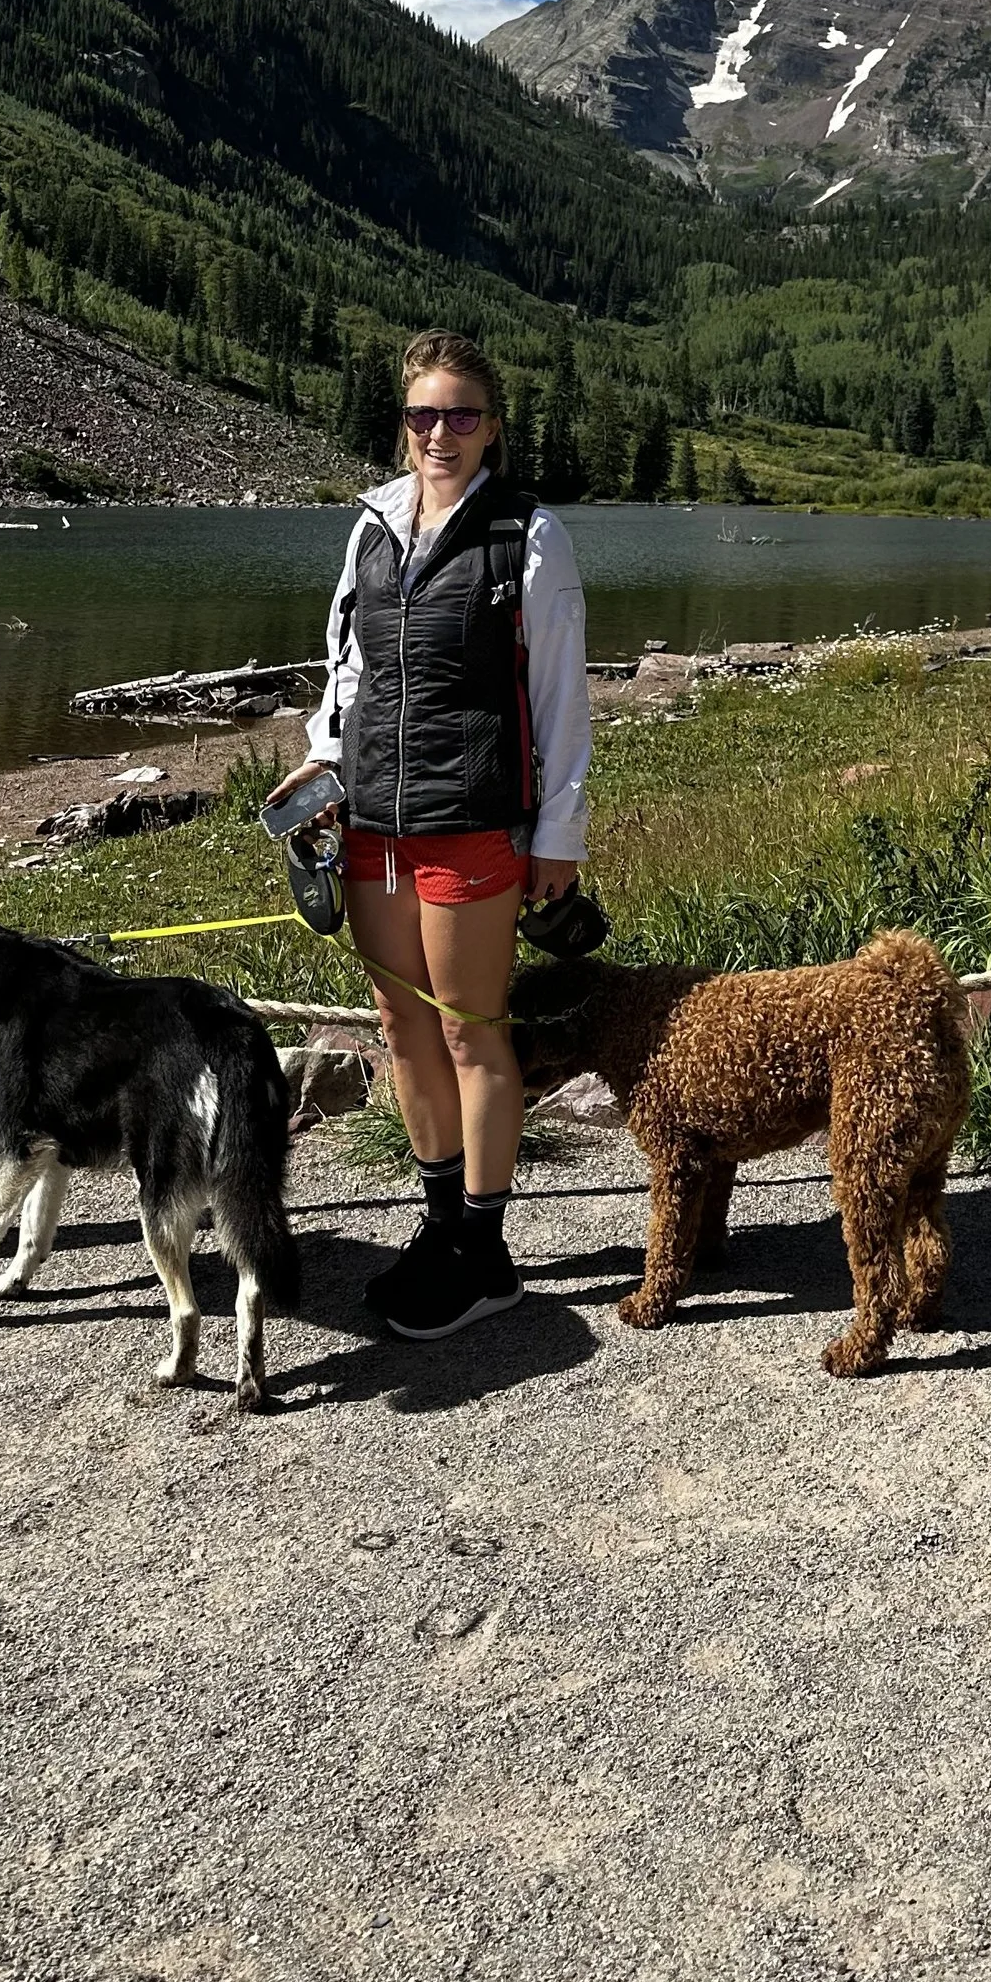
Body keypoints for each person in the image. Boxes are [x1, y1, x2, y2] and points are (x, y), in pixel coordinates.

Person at [269, 329, 591, 1340]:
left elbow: (559, 695)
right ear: (401, 425)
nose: (439, 432)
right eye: (422, 415)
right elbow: (348, 668)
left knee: (468, 1029)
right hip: (371, 824)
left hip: (470, 822)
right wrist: (324, 755)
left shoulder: (525, 536)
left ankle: (485, 1253)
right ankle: (439, 1220)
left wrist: (560, 832)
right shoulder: (372, 526)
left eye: (460, 414)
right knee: (402, 1028)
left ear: (491, 427)